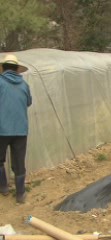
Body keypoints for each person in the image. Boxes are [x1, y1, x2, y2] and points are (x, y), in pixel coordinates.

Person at [0, 54, 31, 203]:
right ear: (17, 69)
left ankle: (4, 188)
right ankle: (20, 194)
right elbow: (28, 102)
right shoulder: (24, 85)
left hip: (2, 129)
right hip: (20, 129)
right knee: (19, 162)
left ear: (3, 68)